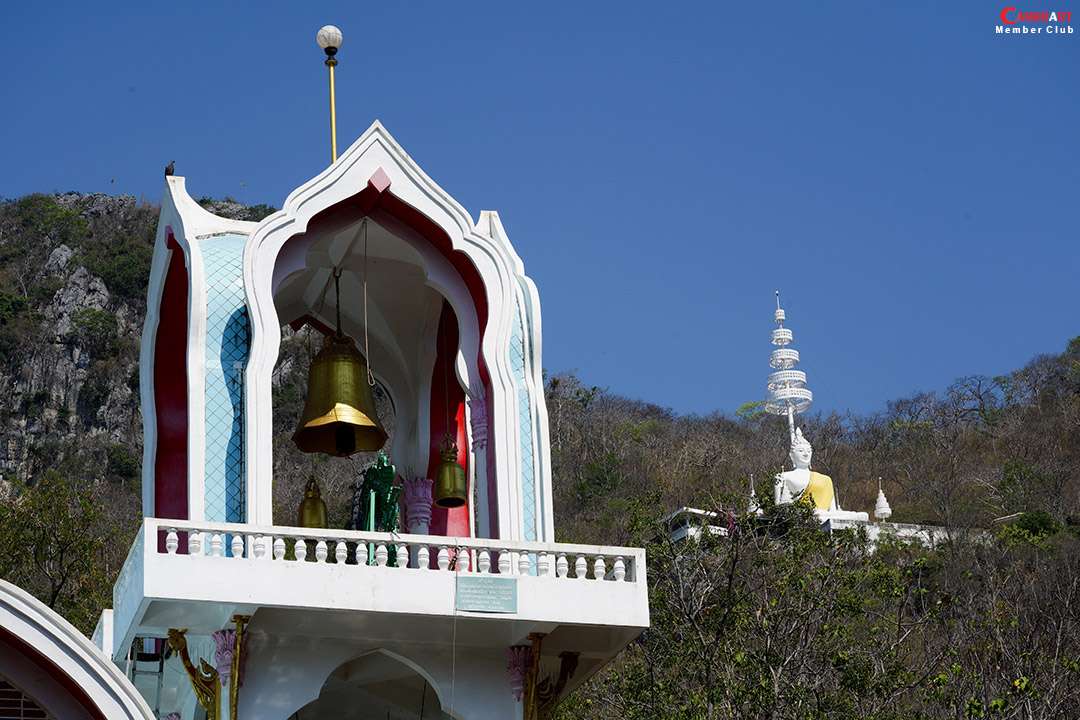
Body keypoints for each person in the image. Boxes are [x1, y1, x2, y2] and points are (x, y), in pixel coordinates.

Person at [774, 427, 835, 511]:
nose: (806, 454)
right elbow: (778, 506)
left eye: (809, 451)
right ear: (792, 455)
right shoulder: (782, 477)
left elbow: (832, 510)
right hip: (798, 514)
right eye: (801, 451)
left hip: (825, 515)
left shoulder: (826, 479)